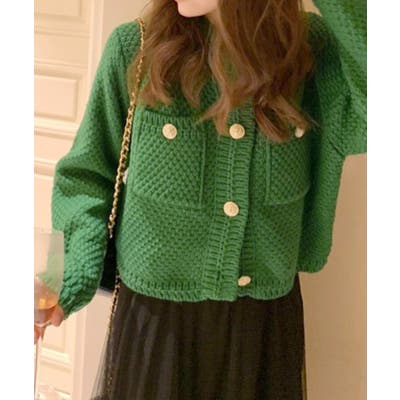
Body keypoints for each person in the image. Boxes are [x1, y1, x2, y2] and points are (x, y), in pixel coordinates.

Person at [35, 0, 366, 398]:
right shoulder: (135, 49)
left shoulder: (310, 53)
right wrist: (71, 275)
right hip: (155, 332)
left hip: (263, 332)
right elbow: (88, 175)